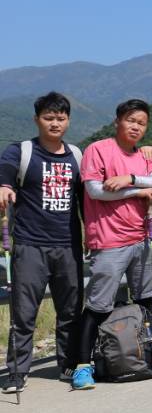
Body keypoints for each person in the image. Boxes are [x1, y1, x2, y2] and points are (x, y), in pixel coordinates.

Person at [72, 99, 152, 390]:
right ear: (118, 120)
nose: (136, 127)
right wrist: (139, 190)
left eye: (141, 123)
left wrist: (129, 179)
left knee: (146, 301)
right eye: (131, 120)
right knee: (98, 305)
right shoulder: (98, 149)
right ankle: (82, 365)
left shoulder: (144, 155)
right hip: (108, 239)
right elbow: (95, 190)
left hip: (142, 238)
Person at [0, 93, 84, 393]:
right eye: (49, 117)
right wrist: (5, 186)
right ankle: (17, 371)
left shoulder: (77, 155)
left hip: (69, 245)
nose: (55, 122)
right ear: (37, 119)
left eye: (61, 118)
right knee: (24, 313)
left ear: (68, 121)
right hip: (29, 245)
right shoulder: (21, 151)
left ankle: (68, 364)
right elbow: (5, 173)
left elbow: (87, 200)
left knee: (71, 311)